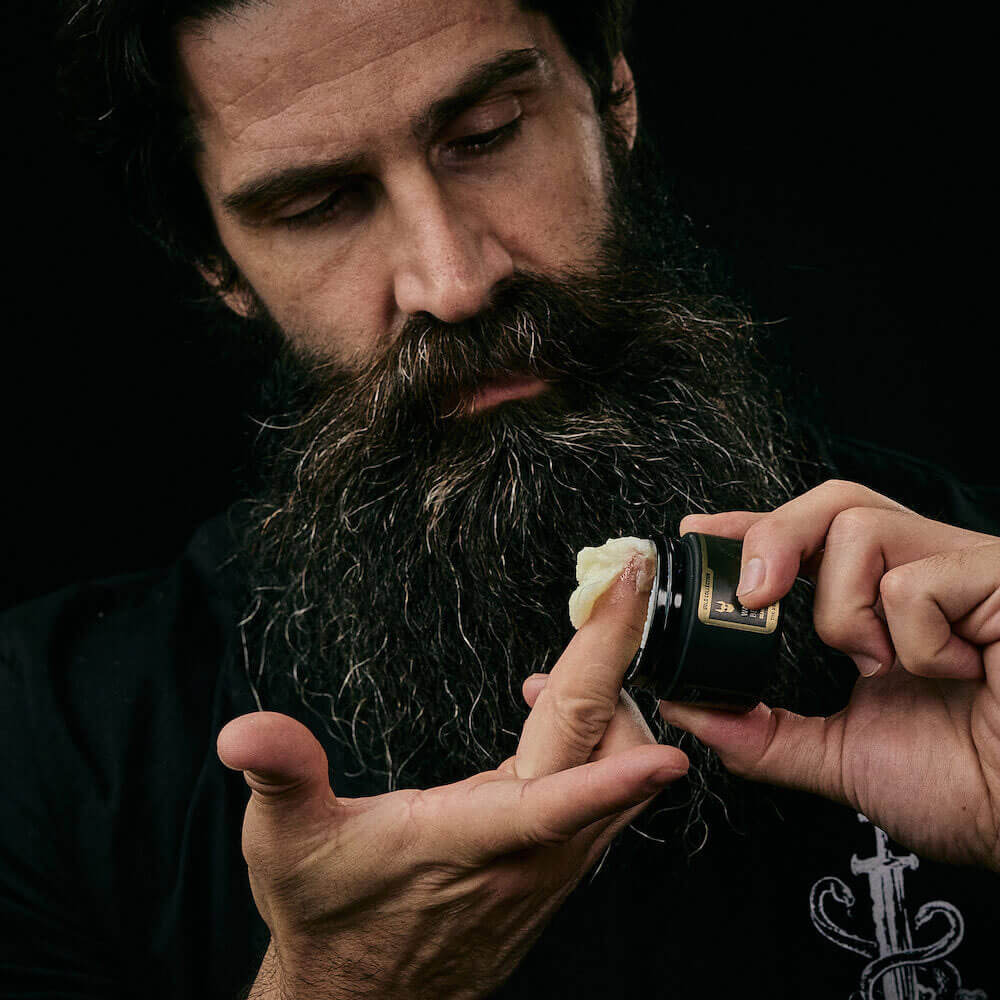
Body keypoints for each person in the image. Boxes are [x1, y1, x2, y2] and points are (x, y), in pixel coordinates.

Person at [2, 0, 997, 996]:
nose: (453, 279)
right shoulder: (46, 746)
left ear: (612, 93)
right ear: (217, 262)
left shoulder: (968, 603)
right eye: (319, 206)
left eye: (486, 136)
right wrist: (346, 983)